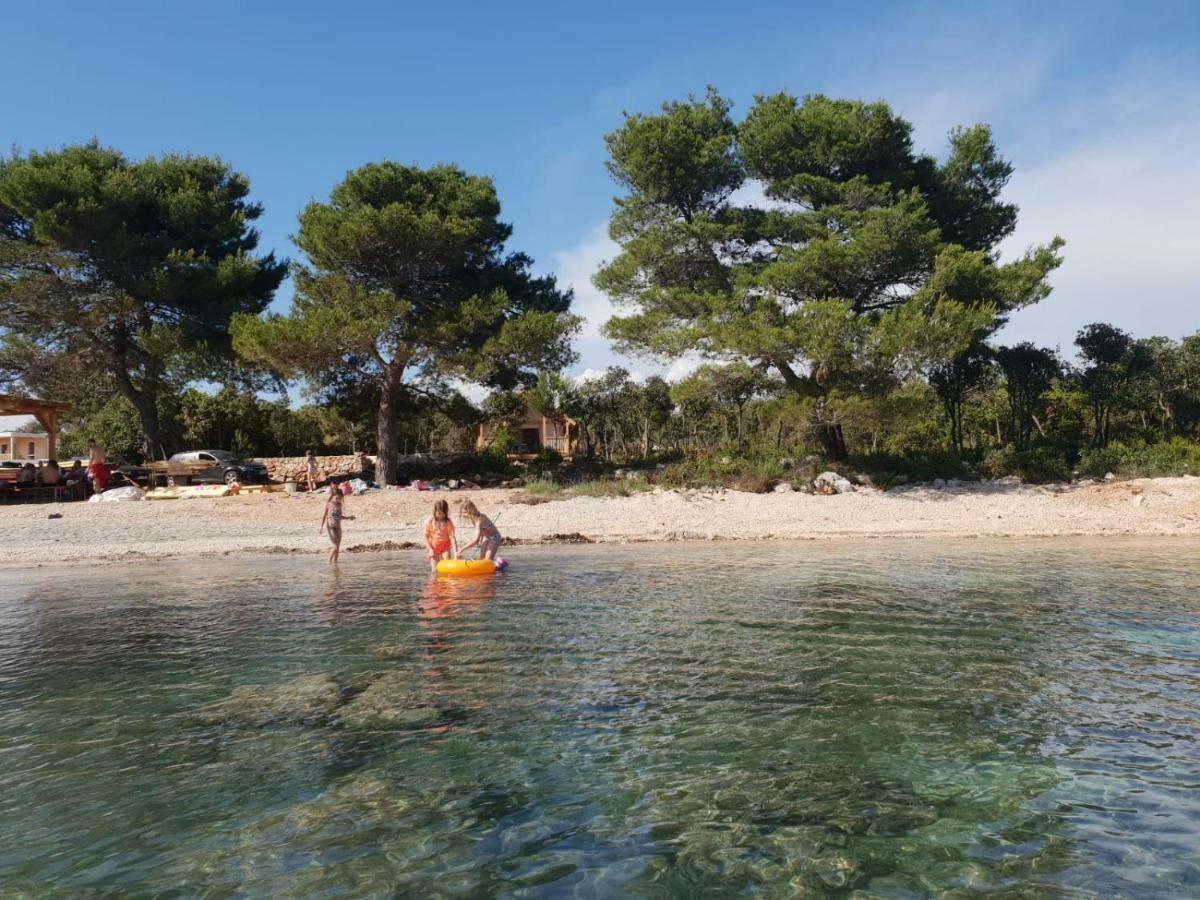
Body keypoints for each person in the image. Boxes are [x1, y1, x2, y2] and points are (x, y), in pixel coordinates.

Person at [319, 485, 354, 564]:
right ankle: (328, 562)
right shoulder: (329, 504)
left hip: (338, 526)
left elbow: (339, 516)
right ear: (332, 497)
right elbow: (324, 515)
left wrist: (348, 518)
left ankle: (335, 563)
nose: (338, 500)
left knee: (338, 547)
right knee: (335, 546)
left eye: (340, 498)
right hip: (330, 527)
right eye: (336, 498)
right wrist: (321, 527)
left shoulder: (339, 505)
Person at [424, 499, 457, 573]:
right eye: (438, 513)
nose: (440, 516)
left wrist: (456, 552)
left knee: (447, 570)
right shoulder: (430, 521)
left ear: (446, 512)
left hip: (445, 547)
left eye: (442, 514)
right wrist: (430, 549)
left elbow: (452, 538)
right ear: (434, 511)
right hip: (433, 547)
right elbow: (426, 537)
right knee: (434, 571)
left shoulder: (448, 522)